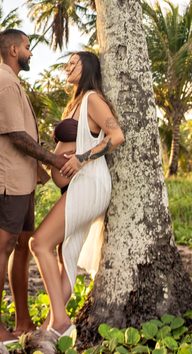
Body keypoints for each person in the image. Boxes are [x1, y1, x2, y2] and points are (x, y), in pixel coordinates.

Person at [0, 29, 71, 347]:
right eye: (27, 47)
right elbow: (15, 135)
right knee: (3, 244)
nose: (30, 52)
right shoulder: (3, 82)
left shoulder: (11, 82)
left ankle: (23, 321)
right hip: (6, 180)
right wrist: (54, 160)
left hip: (21, 180)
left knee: (23, 244)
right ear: (13, 50)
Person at [29, 51, 125, 338]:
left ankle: (60, 322)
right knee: (65, 255)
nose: (67, 66)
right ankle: (51, 326)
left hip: (89, 183)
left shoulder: (93, 99)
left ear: (88, 66)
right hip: (75, 186)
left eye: (73, 62)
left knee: (39, 243)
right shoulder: (75, 103)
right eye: (66, 63)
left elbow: (116, 136)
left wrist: (82, 158)